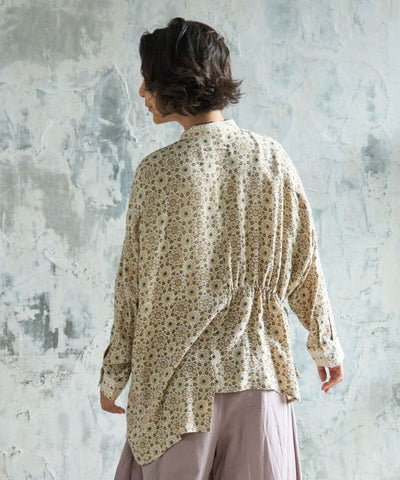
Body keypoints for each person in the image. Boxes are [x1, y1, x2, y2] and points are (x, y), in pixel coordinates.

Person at [98, 17, 345, 480]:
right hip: (258, 378)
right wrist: (325, 346)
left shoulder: (157, 173)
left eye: (149, 79)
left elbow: (132, 286)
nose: (142, 91)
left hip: (176, 391)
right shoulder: (271, 158)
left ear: (176, 82)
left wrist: (114, 374)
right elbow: (304, 263)